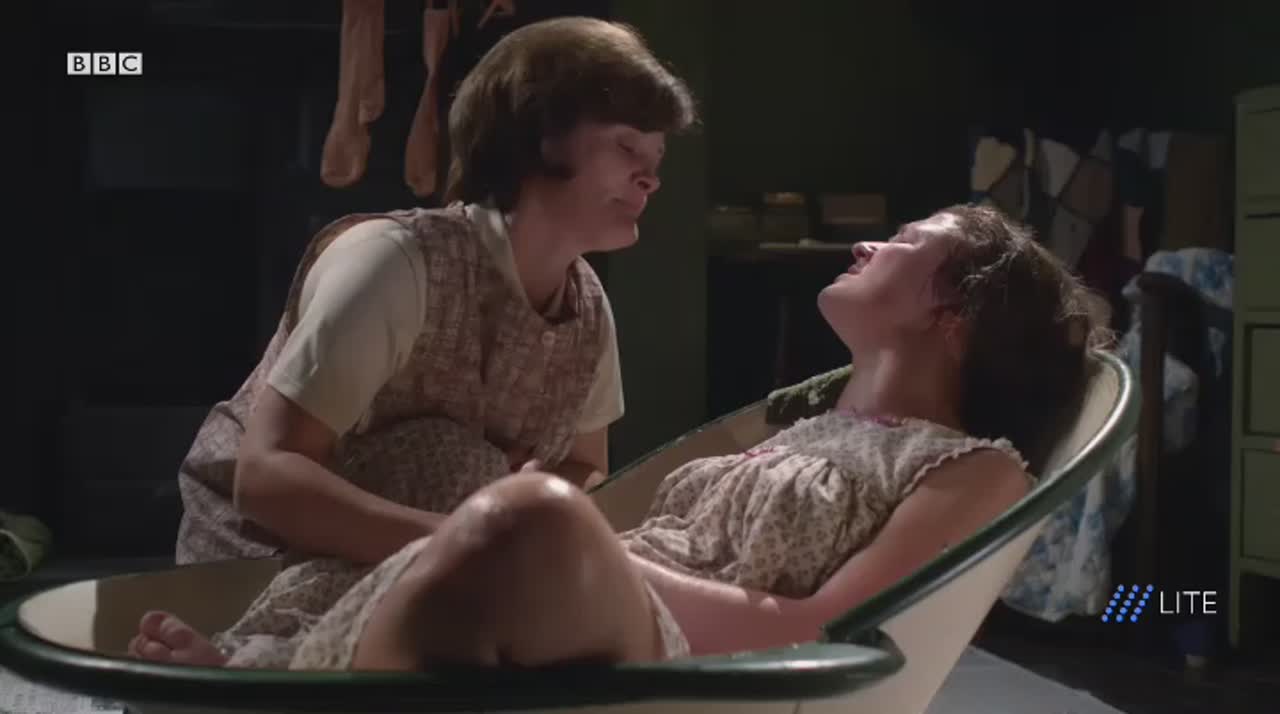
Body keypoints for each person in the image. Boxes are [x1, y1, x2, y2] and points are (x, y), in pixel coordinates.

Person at [132, 203, 1108, 669]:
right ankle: (279, 670)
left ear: (955, 318)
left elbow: (823, 629)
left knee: (526, 516)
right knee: (459, 503)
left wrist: (579, 547)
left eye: (904, 244)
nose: (866, 242)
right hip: (613, 607)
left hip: (684, 662)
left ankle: (286, 693)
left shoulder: (972, 467)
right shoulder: (800, 429)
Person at [172, 16, 698, 568]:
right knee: (454, 466)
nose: (650, 178)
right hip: (262, 564)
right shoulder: (395, 262)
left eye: (656, 158)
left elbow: (584, 468)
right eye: (626, 147)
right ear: (538, 136)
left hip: (447, 569)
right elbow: (265, 477)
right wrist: (474, 536)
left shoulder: (586, 309)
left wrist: (529, 507)